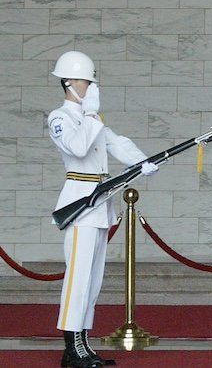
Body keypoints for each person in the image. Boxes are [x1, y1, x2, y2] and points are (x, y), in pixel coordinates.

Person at [48, 51, 158, 368]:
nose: (91, 87)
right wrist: (92, 115)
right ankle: (71, 350)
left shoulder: (91, 120)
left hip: (99, 204)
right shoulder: (61, 118)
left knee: (92, 281)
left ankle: (83, 345)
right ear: (69, 83)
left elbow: (116, 143)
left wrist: (143, 161)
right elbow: (79, 147)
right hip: (79, 206)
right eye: (86, 81)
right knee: (77, 279)